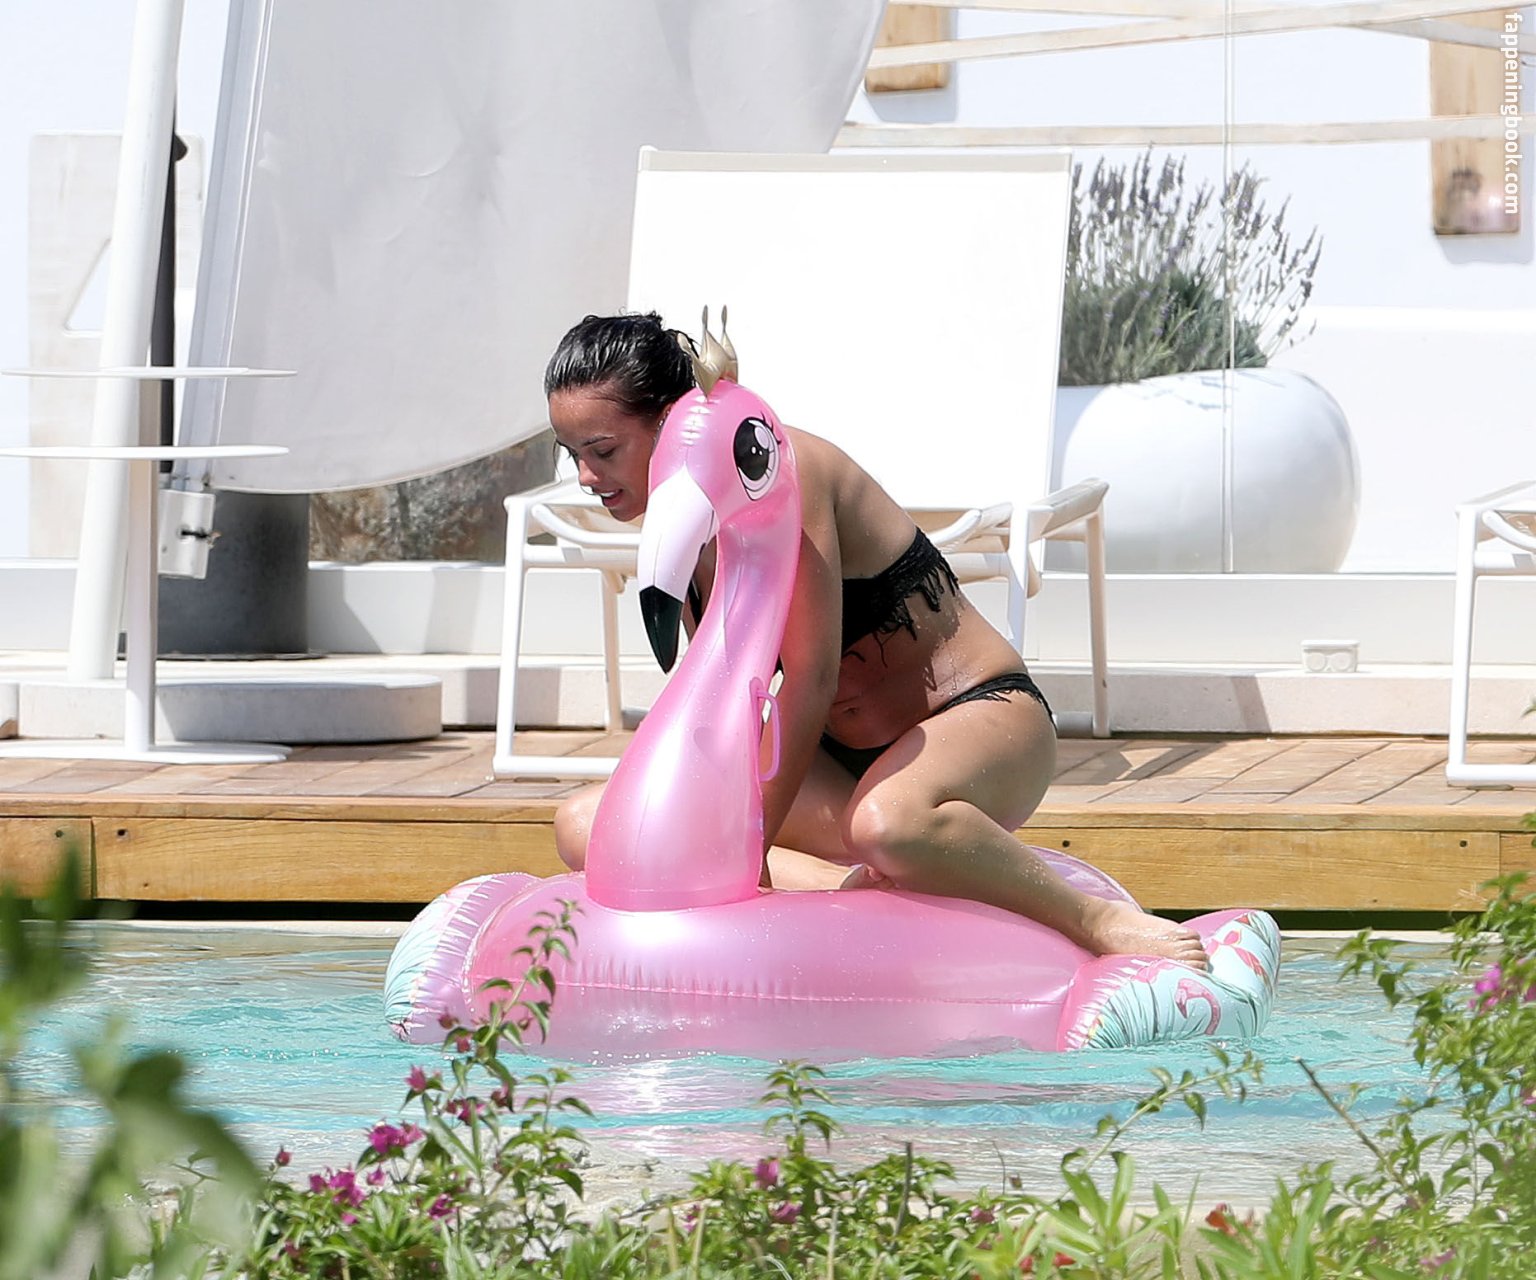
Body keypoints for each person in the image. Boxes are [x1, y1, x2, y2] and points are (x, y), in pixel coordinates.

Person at [544, 311, 1207, 969]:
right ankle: (856, 887)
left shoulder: (783, 473)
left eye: (603, 451)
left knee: (886, 821)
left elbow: (811, 679)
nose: (586, 477)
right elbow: (729, 703)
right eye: (573, 454)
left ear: (672, 421)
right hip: (838, 769)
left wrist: (746, 850)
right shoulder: (684, 520)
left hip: (978, 720)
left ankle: (1093, 919)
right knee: (589, 825)